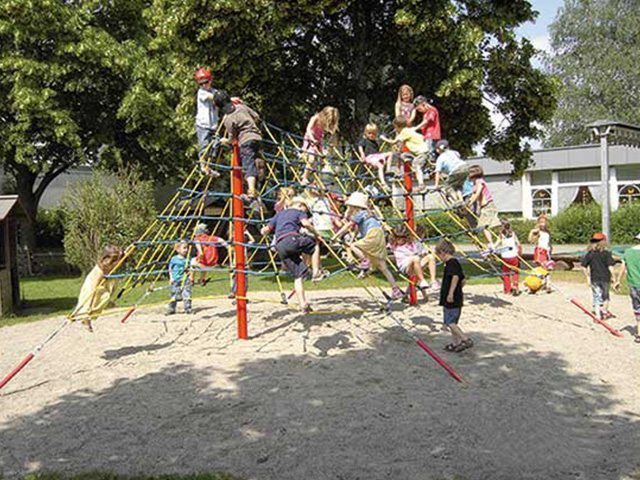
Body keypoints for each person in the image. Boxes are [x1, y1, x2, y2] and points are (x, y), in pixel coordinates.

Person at [332, 191, 404, 299]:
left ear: (354, 206)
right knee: (383, 267)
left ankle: (365, 262)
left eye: (350, 206)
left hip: (372, 234)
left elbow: (347, 226)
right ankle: (396, 290)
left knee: (354, 246)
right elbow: (357, 229)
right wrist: (352, 238)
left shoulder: (359, 214)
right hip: (380, 236)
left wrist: (335, 236)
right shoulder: (368, 213)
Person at [261, 196, 322, 311]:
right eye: (305, 209)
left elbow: (265, 230)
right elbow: (306, 224)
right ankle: (316, 272)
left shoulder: (279, 214)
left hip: (280, 246)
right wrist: (316, 233)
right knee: (314, 245)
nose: (305, 212)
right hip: (291, 239)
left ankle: (302, 304)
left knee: (298, 276)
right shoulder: (298, 212)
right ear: (300, 205)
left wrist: (263, 232)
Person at [215, 90, 263, 199]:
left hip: (245, 140)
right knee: (256, 161)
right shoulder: (241, 107)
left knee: (248, 164)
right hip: (257, 137)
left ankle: (251, 190)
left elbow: (232, 138)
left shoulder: (228, 118)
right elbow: (256, 116)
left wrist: (225, 141)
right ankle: (258, 188)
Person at [72, 245, 124, 332]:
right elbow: (91, 289)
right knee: (91, 301)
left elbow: (123, 255)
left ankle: (87, 314)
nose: (119, 263)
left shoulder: (110, 267)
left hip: (104, 284)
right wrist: (88, 307)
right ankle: (85, 317)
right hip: (92, 286)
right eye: (117, 261)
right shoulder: (99, 271)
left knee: (105, 295)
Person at [435, 239, 473, 352]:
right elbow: (463, 280)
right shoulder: (453, 263)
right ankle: (456, 343)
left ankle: (465, 339)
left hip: (451, 299)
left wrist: (451, 293)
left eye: (438, 255)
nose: (439, 258)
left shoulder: (452, 263)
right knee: (453, 322)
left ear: (443, 252)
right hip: (455, 298)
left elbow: (455, 277)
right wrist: (458, 290)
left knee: (450, 322)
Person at [380, 116, 430, 193]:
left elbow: (393, 142)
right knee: (403, 155)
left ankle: (421, 185)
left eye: (395, 128)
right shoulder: (409, 129)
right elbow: (417, 129)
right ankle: (415, 167)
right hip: (418, 153)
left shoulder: (403, 132)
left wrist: (383, 138)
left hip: (421, 153)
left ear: (397, 127)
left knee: (417, 166)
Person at [388, 224, 439, 299]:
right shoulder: (393, 244)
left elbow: (420, 252)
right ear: (395, 238)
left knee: (430, 257)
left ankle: (433, 281)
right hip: (405, 267)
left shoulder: (411, 243)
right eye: (398, 238)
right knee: (415, 258)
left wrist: (426, 253)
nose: (400, 241)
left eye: (402, 239)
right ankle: (422, 281)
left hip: (415, 265)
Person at [300, 106, 340, 185]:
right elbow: (308, 129)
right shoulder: (315, 118)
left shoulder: (324, 122)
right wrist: (312, 139)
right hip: (310, 140)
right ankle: (304, 177)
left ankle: (316, 180)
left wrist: (332, 139)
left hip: (318, 141)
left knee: (322, 161)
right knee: (311, 159)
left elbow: (332, 132)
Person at [581, 232, 616, 320]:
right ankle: (604, 312)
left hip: (594, 278)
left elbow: (583, 266)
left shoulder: (590, 254)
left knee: (596, 296)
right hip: (605, 278)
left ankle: (597, 315)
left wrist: (587, 277)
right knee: (605, 296)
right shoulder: (606, 253)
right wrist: (614, 278)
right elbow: (610, 267)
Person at [466, 165, 501, 249]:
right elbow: (473, 195)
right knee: (489, 226)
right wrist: (468, 204)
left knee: (483, 226)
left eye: (469, 173)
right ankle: (498, 241)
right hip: (485, 208)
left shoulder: (479, 181)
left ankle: (492, 244)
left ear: (474, 173)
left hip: (488, 206)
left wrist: (470, 203)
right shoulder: (474, 184)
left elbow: (478, 193)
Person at [613, 233, 640, 343]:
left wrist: (618, 280)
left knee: (637, 308)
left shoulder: (628, 252)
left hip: (633, 284)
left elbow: (623, 267)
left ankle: (639, 334)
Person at [194, 67, 220, 177]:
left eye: (206, 82)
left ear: (211, 80)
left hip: (213, 125)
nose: (204, 85)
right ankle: (203, 166)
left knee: (215, 145)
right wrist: (224, 98)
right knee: (204, 145)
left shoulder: (215, 91)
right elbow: (214, 97)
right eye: (201, 84)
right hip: (203, 124)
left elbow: (221, 99)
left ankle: (209, 167)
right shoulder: (201, 93)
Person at [357, 123, 394, 190]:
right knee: (380, 166)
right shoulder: (364, 140)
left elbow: (377, 151)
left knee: (390, 153)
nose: (371, 135)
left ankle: (388, 170)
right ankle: (383, 183)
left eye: (373, 134)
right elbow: (360, 146)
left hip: (376, 156)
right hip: (369, 157)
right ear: (365, 133)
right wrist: (362, 155)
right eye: (369, 133)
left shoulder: (375, 142)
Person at [433, 139, 469, 204]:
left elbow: (437, 172)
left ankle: (456, 201)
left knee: (448, 187)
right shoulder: (454, 152)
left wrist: (436, 185)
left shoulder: (440, 158)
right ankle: (461, 200)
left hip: (456, 170)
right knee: (458, 186)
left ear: (438, 149)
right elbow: (457, 157)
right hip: (465, 167)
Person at [166, 240, 193, 315]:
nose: (186, 250)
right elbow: (170, 269)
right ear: (178, 249)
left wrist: (190, 276)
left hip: (185, 279)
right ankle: (171, 309)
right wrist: (171, 278)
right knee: (174, 295)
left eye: (187, 248)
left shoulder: (188, 259)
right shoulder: (174, 259)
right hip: (175, 280)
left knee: (187, 294)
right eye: (184, 248)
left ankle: (188, 308)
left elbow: (190, 269)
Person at [528, 214, 553, 294]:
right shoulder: (537, 231)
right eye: (541, 222)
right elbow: (530, 240)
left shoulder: (548, 232)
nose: (542, 224)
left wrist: (550, 250)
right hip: (540, 251)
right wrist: (532, 232)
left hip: (547, 251)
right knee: (543, 268)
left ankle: (545, 284)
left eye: (544, 222)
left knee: (545, 268)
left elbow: (548, 243)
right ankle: (545, 284)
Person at [496, 220, 521, 296]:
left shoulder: (501, 235)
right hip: (513, 256)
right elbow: (518, 244)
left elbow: (496, 244)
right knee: (515, 272)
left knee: (506, 273)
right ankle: (515, 285)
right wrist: (518, 252)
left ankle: (507, 289)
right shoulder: (513, 234)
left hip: (505, 257)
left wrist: (491, 248)